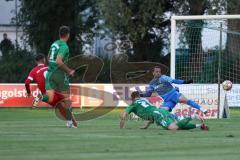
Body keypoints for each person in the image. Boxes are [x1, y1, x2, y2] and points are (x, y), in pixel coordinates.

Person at [120, 91, 209, 131]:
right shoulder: (143, 101)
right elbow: (151, 117)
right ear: (138, 97)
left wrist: (121, 126)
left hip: (158, 114)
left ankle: (193, 116)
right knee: (178, 126)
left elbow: (124, 115)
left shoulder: (133, 105)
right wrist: (146, 126)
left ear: (132, 98)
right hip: (160, 112)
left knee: (173, 128)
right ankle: (200, 126)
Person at [137, 66, 208, 114]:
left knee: (186, 100)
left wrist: (186, 82)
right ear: (153, 73)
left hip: (174, 94)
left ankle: (202, 109)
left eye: (159, 71)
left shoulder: (163, 77)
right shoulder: (152, 83)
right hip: (167, 100)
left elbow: (174, 81)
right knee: (161, 113)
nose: (158, 73)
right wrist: (140, 95)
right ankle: (177, 121)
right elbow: (148, 94)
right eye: (156, 71)